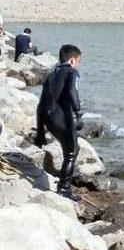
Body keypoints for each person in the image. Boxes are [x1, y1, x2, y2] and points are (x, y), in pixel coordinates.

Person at [34, 45, 84, 201]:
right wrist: (78, 112)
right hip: (62, 119)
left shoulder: (51, 74)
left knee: (74, 148)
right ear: (72, 60)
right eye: (78, 61)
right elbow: (71, 92)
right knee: (70, 154)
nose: (78, 65)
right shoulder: (71, 71)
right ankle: (63, 189)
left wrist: (40, 131)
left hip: (49, 119)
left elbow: (41, 105)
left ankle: (64, 184)